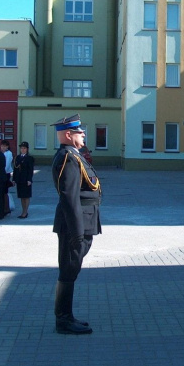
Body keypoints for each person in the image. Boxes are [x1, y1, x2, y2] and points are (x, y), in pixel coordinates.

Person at [51, 114, 101, 335]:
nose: (84, 134)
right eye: (80, 132)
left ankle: (67, 316)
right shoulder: (67, 157)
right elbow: (69, 197)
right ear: (69, 135)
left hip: (83, 221)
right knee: (68, 270)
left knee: (72, 269)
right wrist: (76, 232)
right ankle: (63, 320)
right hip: (75, 224)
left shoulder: (74, 155)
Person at [13, 141, 34, 219]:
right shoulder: (17, 157)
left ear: (27, 149)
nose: (23, 149)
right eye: (21, 148)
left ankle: (25, 211)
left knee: (26, 196)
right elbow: (15, 169)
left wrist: (29, 179)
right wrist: (14, 179)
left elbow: (30, 170)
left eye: (24, 148)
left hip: (26, 179)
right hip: (19, 179)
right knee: (21, 196)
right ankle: (23, 210)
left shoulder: (29, 158)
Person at [0, 140, 14, 216]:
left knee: (5, 191)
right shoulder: (2, 153)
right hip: (2, 174)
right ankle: (4, 207)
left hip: (6, 174)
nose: (3, 147)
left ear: (7, 146)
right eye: (2, 146)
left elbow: (7, 164)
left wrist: (2, 172)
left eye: (4, 146)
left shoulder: (9, 153)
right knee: (3, 191)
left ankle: (6, 208)